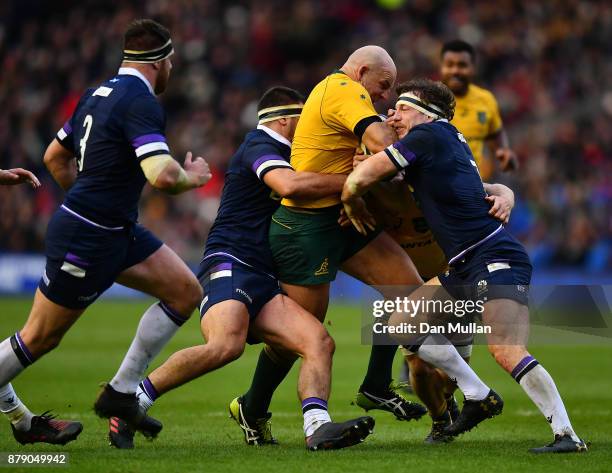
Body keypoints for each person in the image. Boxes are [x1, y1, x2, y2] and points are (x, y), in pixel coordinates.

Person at [108, 87, 375, 451]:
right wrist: (353, 181)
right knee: (226, 345)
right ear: (284, 119)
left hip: (264, 277)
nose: (309, 126)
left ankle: (317, 427)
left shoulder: (293, 153)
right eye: (303, 118)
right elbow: (290, 185)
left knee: (318, 341)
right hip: (231, 261)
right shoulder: (260, 145)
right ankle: (130, 403)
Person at [341, 78, 587, 453]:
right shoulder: (442, 141)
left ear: (428, 113)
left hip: (493, 256)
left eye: (402, 107)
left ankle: (567, 436)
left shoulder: (428, 136)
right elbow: (474, 188)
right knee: (401, 324)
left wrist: (352, 195)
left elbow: (362, 177)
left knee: (506, 349)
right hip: (463, 265)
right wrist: (506, 191)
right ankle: (478, 394)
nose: (393, 114)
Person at [0, 19, 211, 446]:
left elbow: (54, 156)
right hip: (88, 237)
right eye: (171, 61)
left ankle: (120, 392)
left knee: (185, 291)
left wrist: (90, 198)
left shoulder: (97, 93)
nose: (172, 69)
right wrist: (192, 176)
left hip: (115, 229)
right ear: (159, 62)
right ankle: (23, 418)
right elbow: (161, 175)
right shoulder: (141, 102)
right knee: (40, 338)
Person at [235, 46, 429, 434]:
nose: (386, 97)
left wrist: (358, 189)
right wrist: (427, 132)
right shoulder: (344, 90)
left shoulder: (344, 95)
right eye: (384, 86)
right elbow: (383, 143)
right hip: (306, 227)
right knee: (301, 337)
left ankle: (375, 384)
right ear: (361, 72)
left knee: (408, 291)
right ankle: (251, 407)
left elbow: (367, 157)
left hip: (345, 218)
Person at [440, 39, 518, 180]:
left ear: (473, 68)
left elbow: (495, 133)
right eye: (449, 65)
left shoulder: (485, 100)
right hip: (435, 184)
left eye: (462, 65)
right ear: (441, 67)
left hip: (472, 184)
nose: (455, 70)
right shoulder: (427, 99)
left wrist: (503, 151)